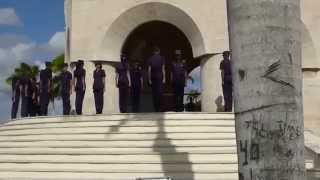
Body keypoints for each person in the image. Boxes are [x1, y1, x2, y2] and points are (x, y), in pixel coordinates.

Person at [147, 47, 166, 112]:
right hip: (160, 77)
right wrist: (164, 78)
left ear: (154, 52)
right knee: (160, 93)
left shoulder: (150, 58)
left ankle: (156, 108)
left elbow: (149, 70)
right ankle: (160, 108)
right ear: (159, 51)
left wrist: (149, 79)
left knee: (154, 93)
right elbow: (163, 69)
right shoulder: (162, 58)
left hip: (153, 78)